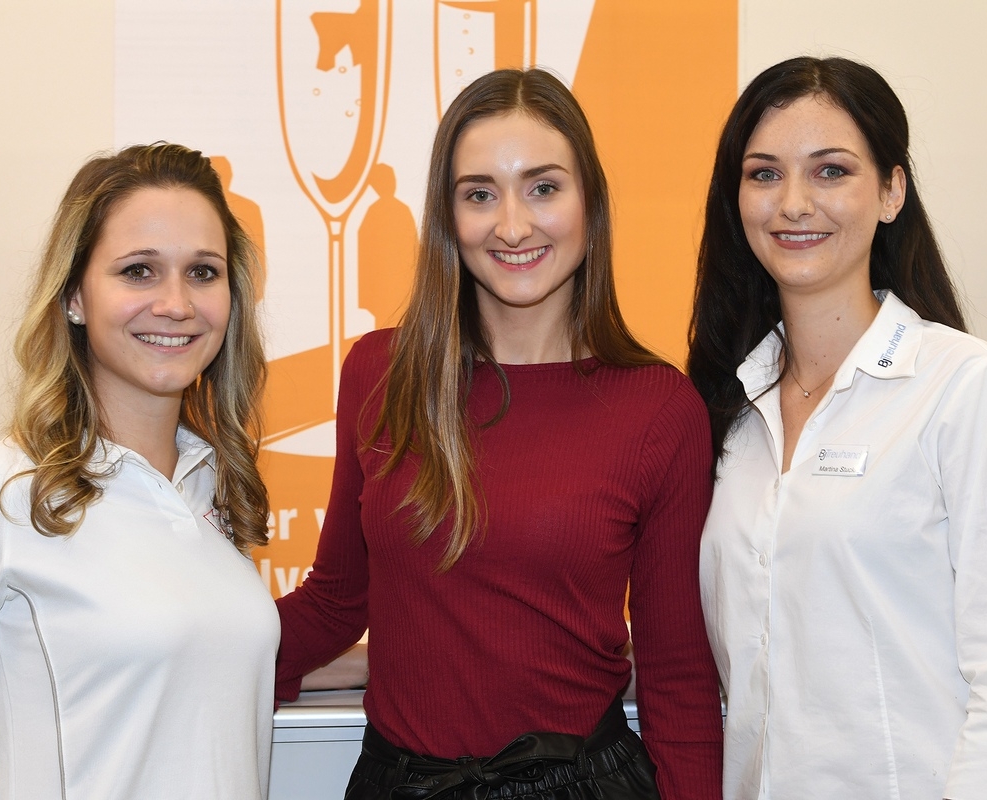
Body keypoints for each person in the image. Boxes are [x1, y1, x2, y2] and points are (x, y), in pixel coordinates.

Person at [277, 68, 723, 800]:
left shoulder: (658, 408)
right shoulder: (379, 373)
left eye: (543, 188)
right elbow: (334, 603)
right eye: (480, 194)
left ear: (589, 203)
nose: (512, 226)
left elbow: (678, 673)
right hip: (397, 784)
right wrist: (175, 653)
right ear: (447, 217)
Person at [688, 56, 987, 800]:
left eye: (831, 171)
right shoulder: (725, 408)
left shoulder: (965, 387)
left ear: (892, 191)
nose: (794, 203)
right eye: (764, 174)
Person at [0, 143, 279, 800]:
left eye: (203, 272)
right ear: (75, 296)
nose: (176, 303)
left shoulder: (213, 484)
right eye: (139, 271)